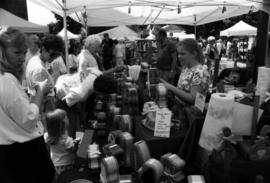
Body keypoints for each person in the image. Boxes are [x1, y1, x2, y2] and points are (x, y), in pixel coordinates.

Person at [0, 27, 55, 183]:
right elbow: (29, 119)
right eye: (16, 53)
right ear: (1, 51)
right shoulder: (6, 79)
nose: (22, 58)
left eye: (24, 53)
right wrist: (40, 91)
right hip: (23, 153)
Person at [161, 38, 210, 106]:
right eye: (178, 53)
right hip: (181, 112)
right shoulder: (186, 68)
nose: (179, 56)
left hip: (191, 114)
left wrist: (170, 87)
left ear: (193, 54)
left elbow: (193, 99)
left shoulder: (200, 72)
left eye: (183, 54)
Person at [44, 109, 79, 176]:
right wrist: (76, 144)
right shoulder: (67, 140)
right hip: (66, 166)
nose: (68, 118)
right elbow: (75, 152)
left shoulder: (47, 136)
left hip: (55, 165)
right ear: (63, 124)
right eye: (66, 117)